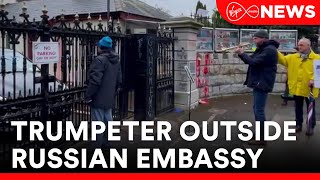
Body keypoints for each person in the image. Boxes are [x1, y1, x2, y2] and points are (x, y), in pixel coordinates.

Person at [235, 30, 279, 145]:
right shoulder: (263, 48)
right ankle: (258, 134)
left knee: (259, 110)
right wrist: (241, 53)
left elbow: (253, 62)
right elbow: (250, 60)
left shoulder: (269, 50)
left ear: (263, 38)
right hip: (259, 82)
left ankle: (261, 138)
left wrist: (241, 53)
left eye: (256, 38)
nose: (254, 41)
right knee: (256, 109)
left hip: (262, 82)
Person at [85, 36, 122, 148]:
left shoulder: (99, 60)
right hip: (109, 95)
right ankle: (107, 142)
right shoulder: (116, 60)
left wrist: (88, 95)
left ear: (101, 47)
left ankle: (97, 145)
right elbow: (119, 80)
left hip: (99, 96)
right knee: (108, 119)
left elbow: (95, 80)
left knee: (98, 122)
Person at [278, 38, 320, 136]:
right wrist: (274, 50)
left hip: (310, 88)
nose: (299, 47)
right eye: (299, 45)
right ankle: (298, 125)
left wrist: (313, 79)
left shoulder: (317, 58)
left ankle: (310, 126)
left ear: (308, 46)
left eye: (302, 45)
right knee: (298, 107)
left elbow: (319, 72)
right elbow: (282, 60)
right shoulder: (293, 57)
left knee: (311, 108)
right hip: (297, 88)